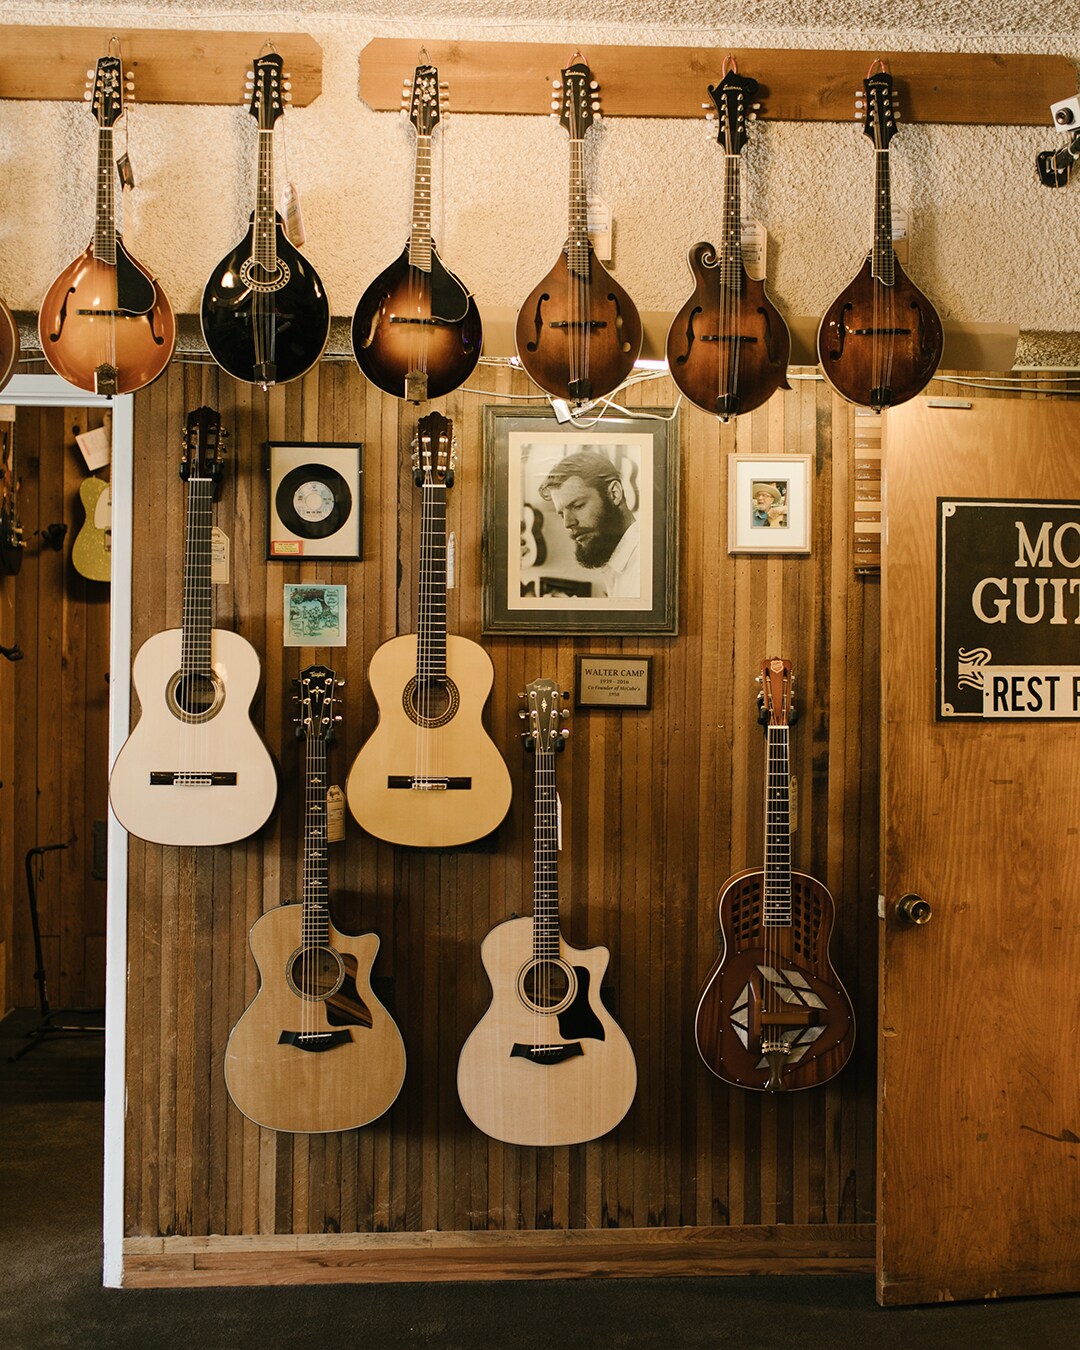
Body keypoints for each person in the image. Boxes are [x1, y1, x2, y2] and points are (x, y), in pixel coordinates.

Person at [538, 448, 639, 598]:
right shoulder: (618, 562)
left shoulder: (643, 568)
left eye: (577, 506)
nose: (567, 523)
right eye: (561, 514)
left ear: (614, 494)